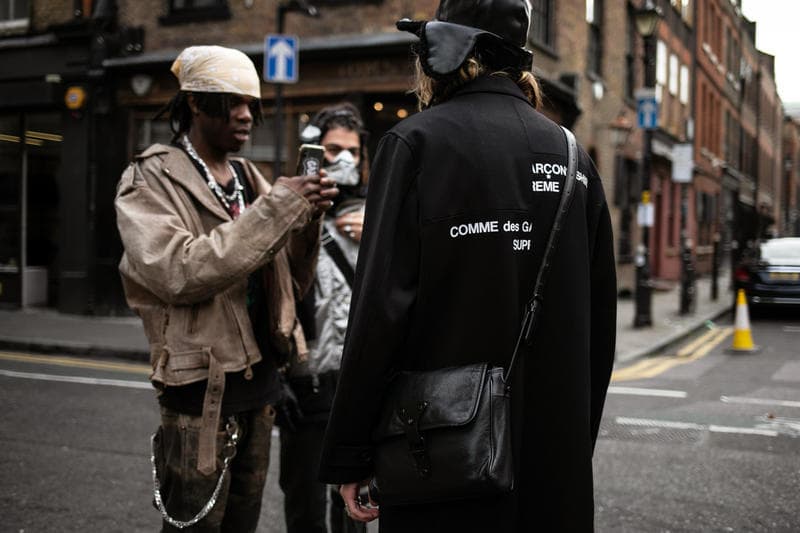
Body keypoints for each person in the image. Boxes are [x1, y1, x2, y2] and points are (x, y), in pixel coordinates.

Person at [318, 1, 617, 531]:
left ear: (447, 55)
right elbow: (600, 329)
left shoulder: (415, 144)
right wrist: (569, 451)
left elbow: (379, 314)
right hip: (552, 474)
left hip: (440, 465)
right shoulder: (575, 159)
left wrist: (351, 455)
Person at [115, 45, 337, 532]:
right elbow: (179, 271)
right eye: (233, 102)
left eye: (251, 104)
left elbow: (291, 284)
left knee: (242, 526)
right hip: (199, 395)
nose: (246, 115)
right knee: (195, 527)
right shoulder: (150, 177)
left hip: (259, 390)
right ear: (195, 103)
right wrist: (278, 209)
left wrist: (305, 223)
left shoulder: (247, 178)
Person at [278, 103, 368, 533]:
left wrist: (376, 238)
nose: (344, 159)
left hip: (355, 386)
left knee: (354, 506)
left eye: (352, 150)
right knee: (304, 504)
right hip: (306, 382)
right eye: (333, 149)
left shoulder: (376, 215)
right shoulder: (288, 212)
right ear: (313, 150)